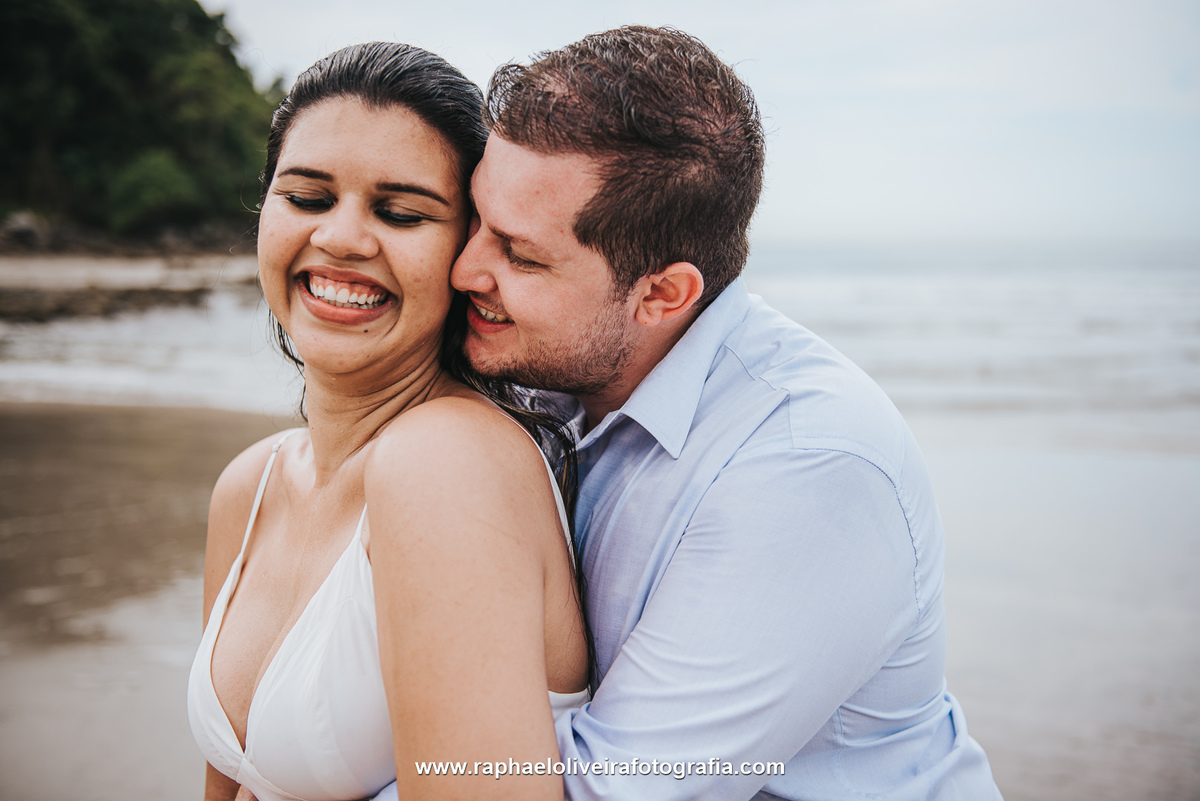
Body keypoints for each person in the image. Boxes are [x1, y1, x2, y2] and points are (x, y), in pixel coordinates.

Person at [445, 26, 1005, 800]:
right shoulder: (544, 366)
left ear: (661, 295)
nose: (464, 268)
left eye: (520, 254)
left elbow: (608, 791)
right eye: (474, 220)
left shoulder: (807, 465)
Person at [185, 42, 589, 801]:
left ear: (468, 251)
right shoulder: (250, 485)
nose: (341, 239)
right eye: (307, 198)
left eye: (400, 213)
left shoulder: (449, 465)